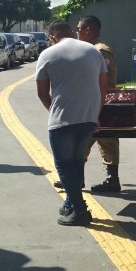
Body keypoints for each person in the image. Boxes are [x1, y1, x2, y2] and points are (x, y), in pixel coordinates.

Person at [35, 20, 107, 226]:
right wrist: (95, 113)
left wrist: (54, 111)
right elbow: (103, 88)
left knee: (65, 166)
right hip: (88, 118)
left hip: (62, 121)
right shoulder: (93, 51)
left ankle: (80, 211)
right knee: (76, 163)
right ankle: (70, 204)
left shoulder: (47, 54)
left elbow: (41, 92)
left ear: (52, 36)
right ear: (71, 33)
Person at [76, 15, 122, 193]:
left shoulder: (101, 51)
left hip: (102, 102)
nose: (76, 32)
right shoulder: (91, 49)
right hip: (93, 101)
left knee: (105, 140)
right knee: (88, 140)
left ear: (90, 30)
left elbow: (105, 81)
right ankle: (77, 178)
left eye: (79, 29)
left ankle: (111, 180)